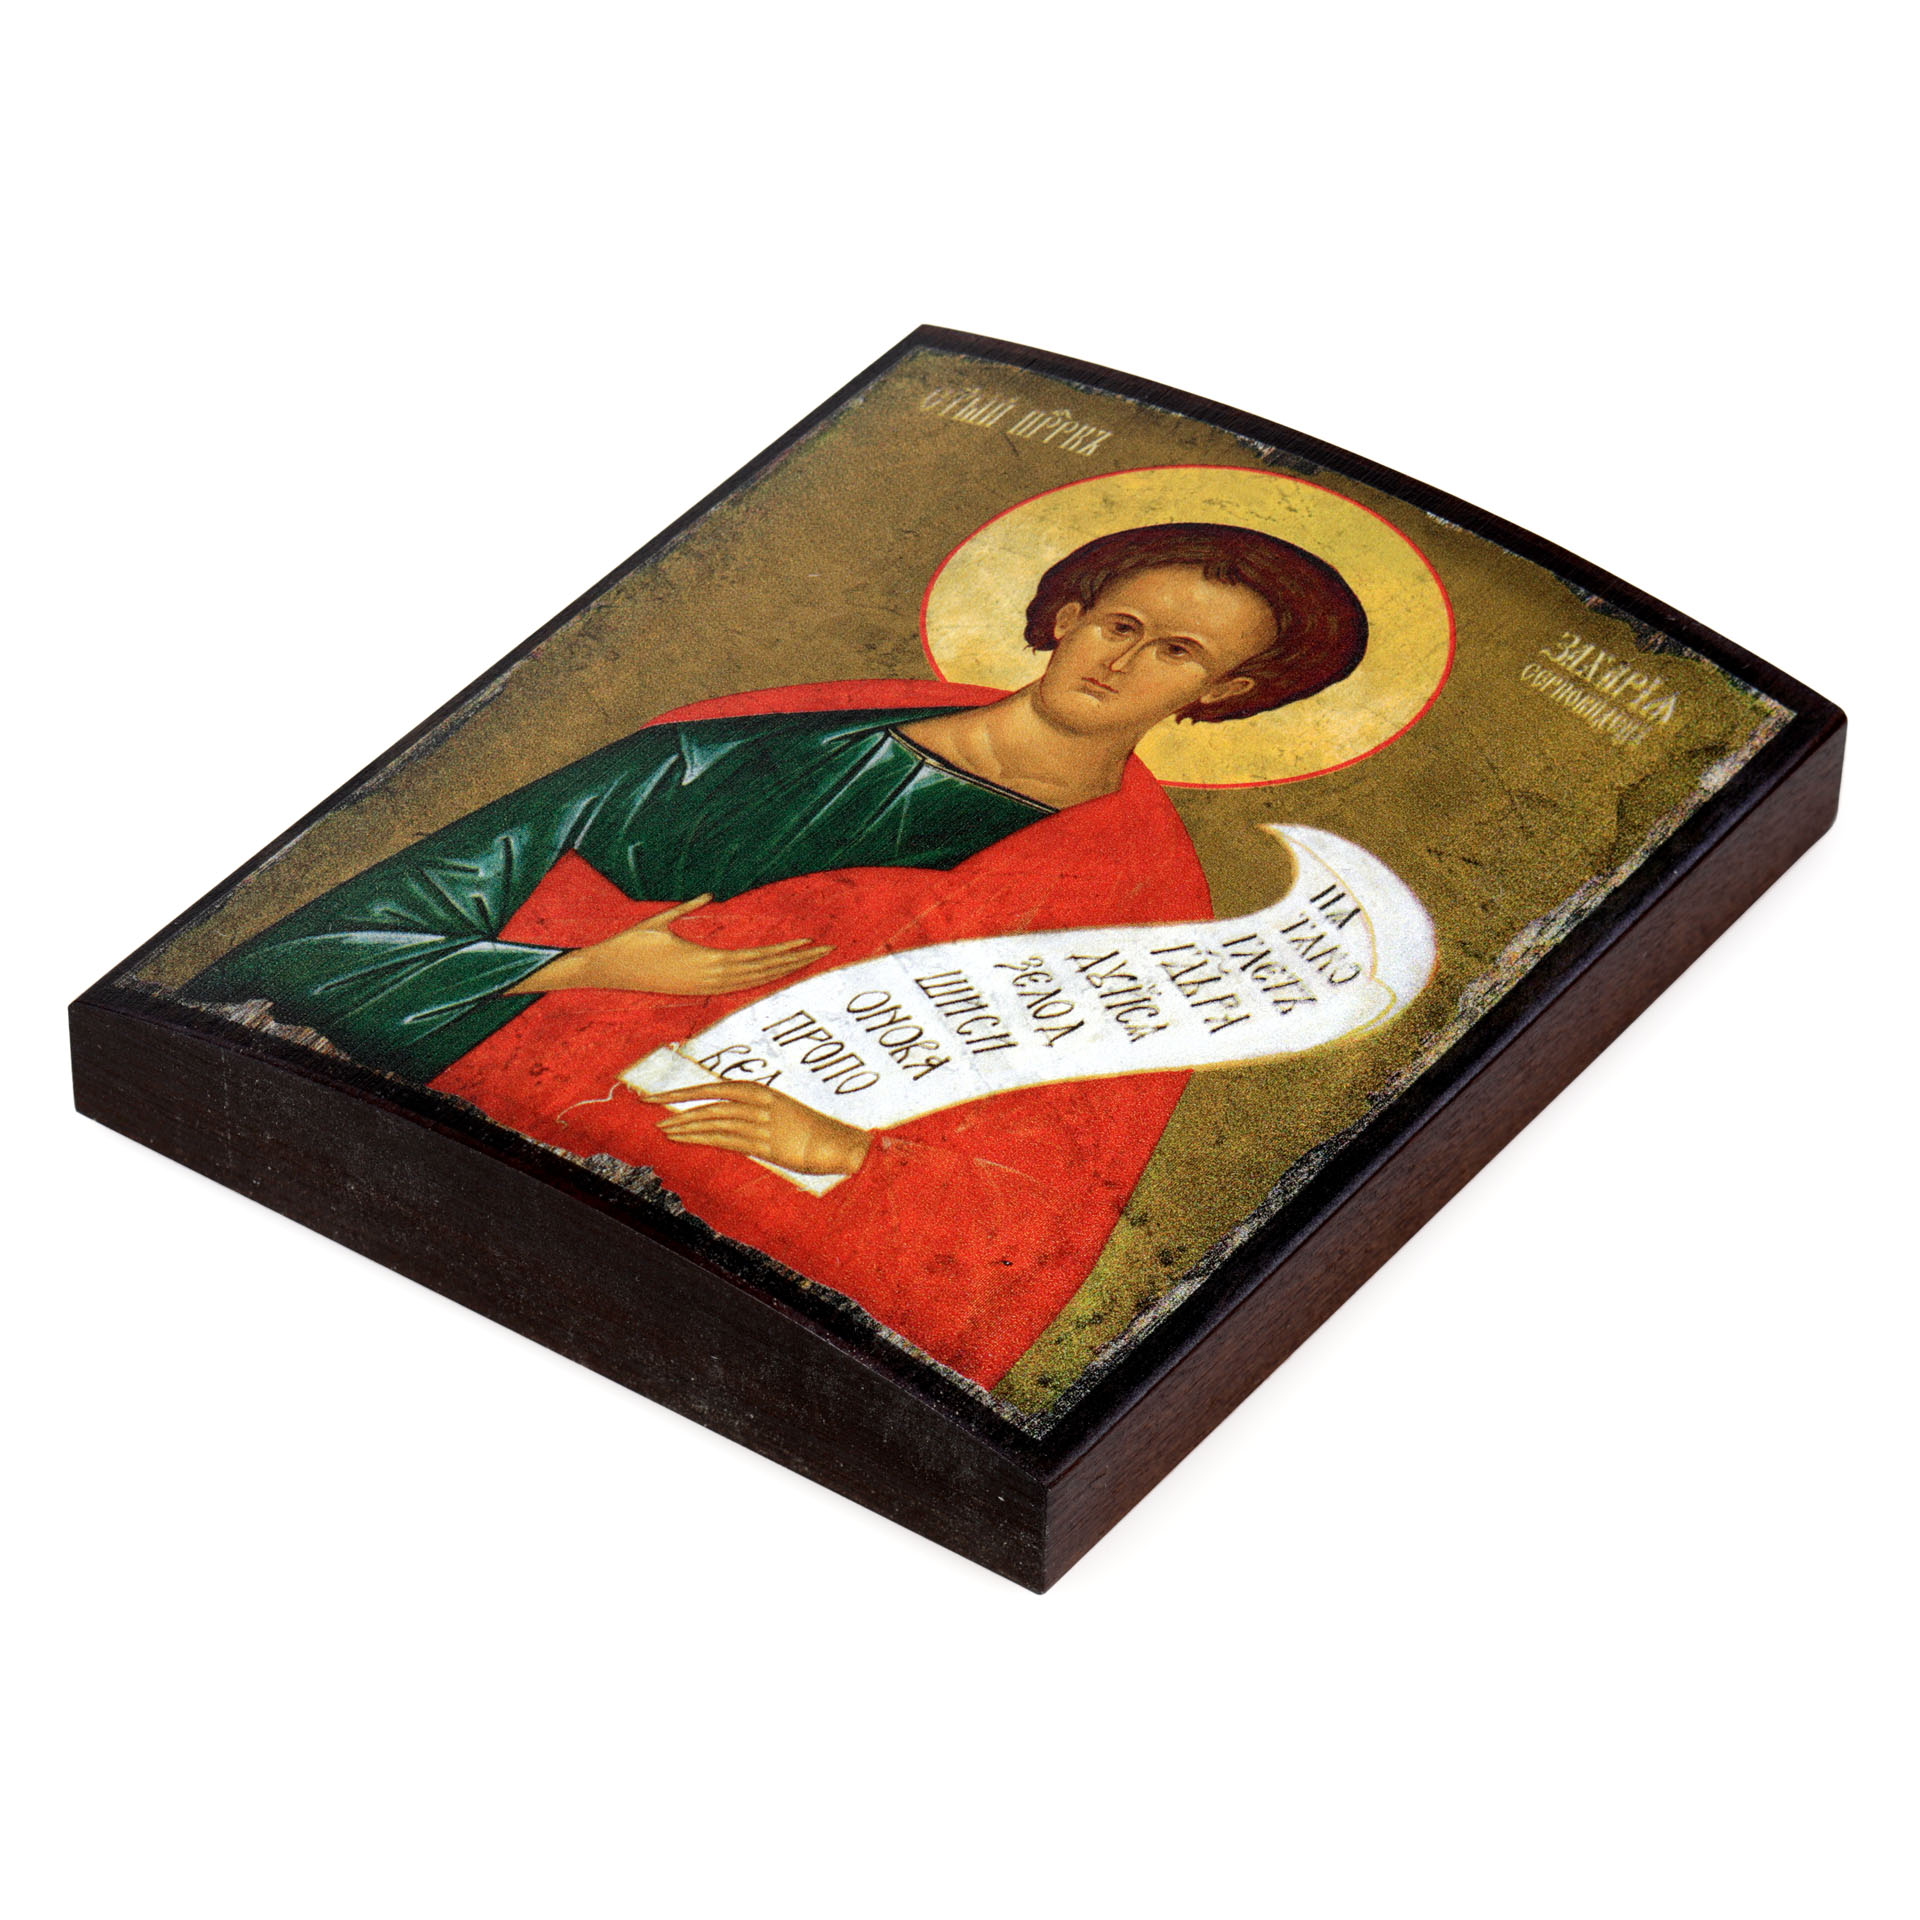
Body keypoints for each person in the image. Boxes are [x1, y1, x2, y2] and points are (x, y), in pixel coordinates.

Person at [186, 523, 1367, 1387]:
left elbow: (1056, 1185)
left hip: (711, 1270)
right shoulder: (734, 755)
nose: (1122, 662)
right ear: (1066, 616)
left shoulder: (1138, 901)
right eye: (1119, 624)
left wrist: (847, 1154)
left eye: (1176, 653)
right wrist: (580, 969)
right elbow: (341, 941)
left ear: (1221, 694)